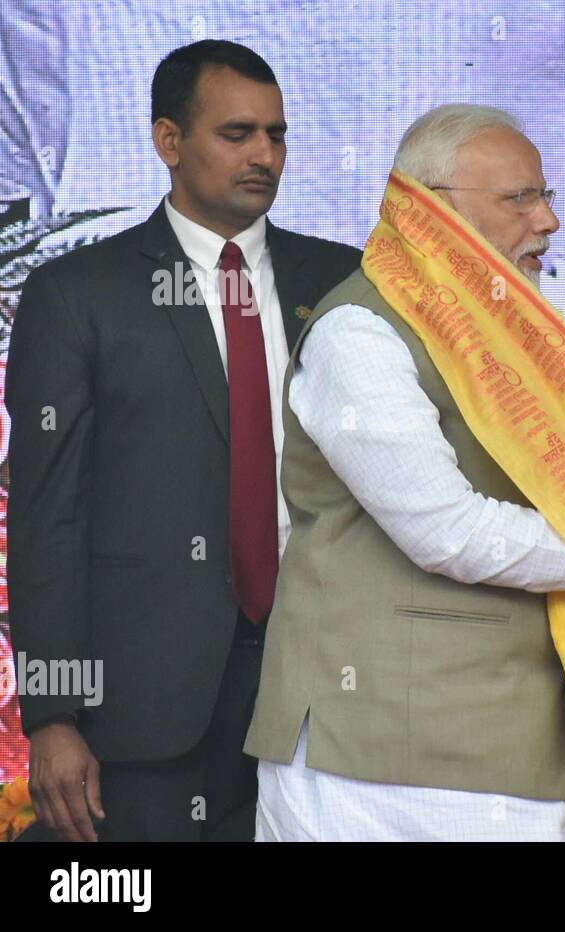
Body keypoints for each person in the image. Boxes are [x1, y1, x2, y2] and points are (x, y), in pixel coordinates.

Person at [8, 40, 360, 841]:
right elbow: (46, 519)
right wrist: (54, 717)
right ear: (169, 141)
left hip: (320, 698)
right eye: (238, 134)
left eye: (276, 135)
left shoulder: (342, 282)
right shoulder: (78, 294)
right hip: (142, 708)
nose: (265, 156)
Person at [244, 105, 565, 842]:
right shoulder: (362, 332)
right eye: (521, 199)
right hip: (381, 753)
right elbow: (449, 532)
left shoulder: (521, 334)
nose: (549, 222)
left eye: (547, 196)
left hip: (515, 739)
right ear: (433, 212)